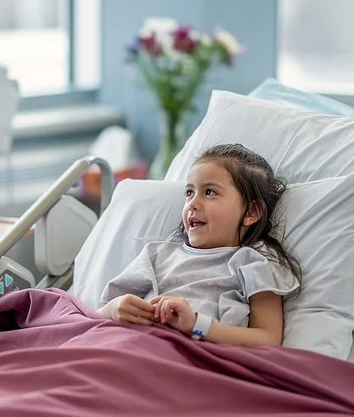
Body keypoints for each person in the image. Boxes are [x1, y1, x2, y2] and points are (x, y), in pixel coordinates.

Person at [98, 143, 302, 347]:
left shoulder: (253, 264)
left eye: (210, 192)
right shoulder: (157, 254)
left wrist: (196, 325)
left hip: (188, 357)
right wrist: (114, 309)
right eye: (189, 193)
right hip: (130, 343)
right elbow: (95, 316)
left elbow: (268, 339)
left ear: (251, 212)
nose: (192, 204)